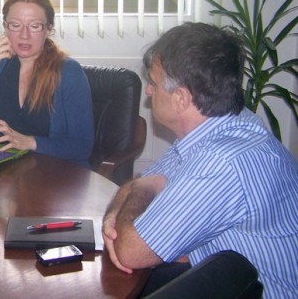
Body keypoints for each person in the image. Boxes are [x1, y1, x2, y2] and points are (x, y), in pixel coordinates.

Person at [102, 22, 298, 297]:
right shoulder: (225, 125)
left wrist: (143, 189)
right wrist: (118, 212)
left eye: (154, 83)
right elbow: (142, 184)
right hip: (224, 277)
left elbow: (130, 251)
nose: (148, 91)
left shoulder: (220, 162)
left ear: (181, 99)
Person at [0, 0, 94, 166]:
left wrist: (30, 142)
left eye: (34, 26)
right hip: (9, 172)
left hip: (59, 172)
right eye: (15, 25)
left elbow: (82, 147)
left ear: (48, 29)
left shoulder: (68, 72)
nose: (24, 35)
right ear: (5, 27)